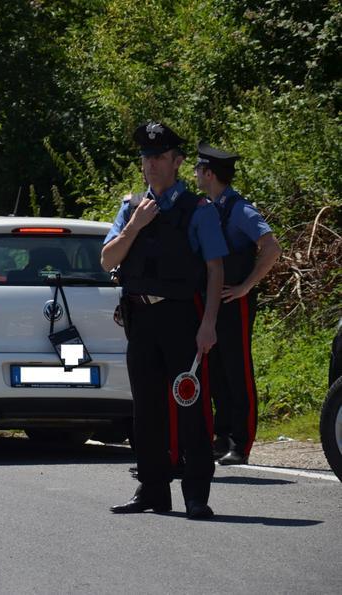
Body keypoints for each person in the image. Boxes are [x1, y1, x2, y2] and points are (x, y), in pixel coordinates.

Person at [102, 122, 228, 520]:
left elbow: (215, 270)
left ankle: (196, 494)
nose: (151, 164)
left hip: (181, 317)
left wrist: (209, 323)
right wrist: (135, 226)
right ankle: (153, 489)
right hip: (140, 317)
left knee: (190, 404)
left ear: (176, 162)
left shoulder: (198, 210)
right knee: (146, 408)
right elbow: (107, 259)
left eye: (158, 157)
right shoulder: (131, 208)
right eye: (146, 157)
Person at [193, 143, 281, 465]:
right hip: (212, 300)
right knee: (215, 369)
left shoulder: (241, 210)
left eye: (198, 169)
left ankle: (241, 443)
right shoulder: (207, 207)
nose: (194, 173)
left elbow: (271, 247)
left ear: (209, 173)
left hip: (235, 301)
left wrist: (246, 286)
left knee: (237, 369)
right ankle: (222, 436)